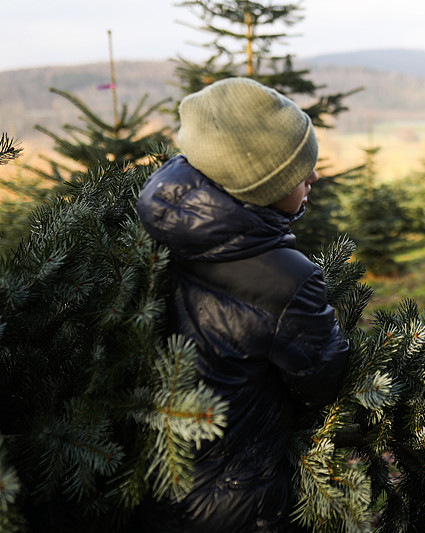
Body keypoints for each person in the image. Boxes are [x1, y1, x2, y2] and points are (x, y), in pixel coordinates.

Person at [136, 77, 349, 532]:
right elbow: (321, 380)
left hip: (156, 478)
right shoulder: (286, 278)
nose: (313, 176)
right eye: (299, 171)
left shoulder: (155, 224)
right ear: (259, 183)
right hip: (236, 495)